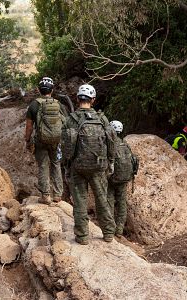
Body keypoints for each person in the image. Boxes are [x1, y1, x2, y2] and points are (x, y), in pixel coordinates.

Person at [61, 84, 116, 244]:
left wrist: (66, 166)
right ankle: (108, 234)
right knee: (102, 200)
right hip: (99, 166)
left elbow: (65, 146)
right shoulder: (102, 119)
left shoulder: (71, 119)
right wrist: (111, 161)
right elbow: (111, 142)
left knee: (80, 201)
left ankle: (83, 236)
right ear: (93, 100)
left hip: (77, 167)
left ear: (78, 99)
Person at [25, 77, 64, 205]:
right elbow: (65, 122)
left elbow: (29, 126)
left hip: (41, 140)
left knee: (43, 165)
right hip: (56, 140)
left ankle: (45, 196)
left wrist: (27, 140)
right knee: (56, 164)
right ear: (52, 90)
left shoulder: (34, 105)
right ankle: (58, 195)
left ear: (38, 89)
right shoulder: (58, 104)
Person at [108, 120, 137, 238]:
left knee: (108, 200)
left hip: (111, 178)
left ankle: (109, 227)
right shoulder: (125, 144)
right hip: (125, 178)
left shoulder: (110, 144)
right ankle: (119, 229)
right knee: (122, 202)